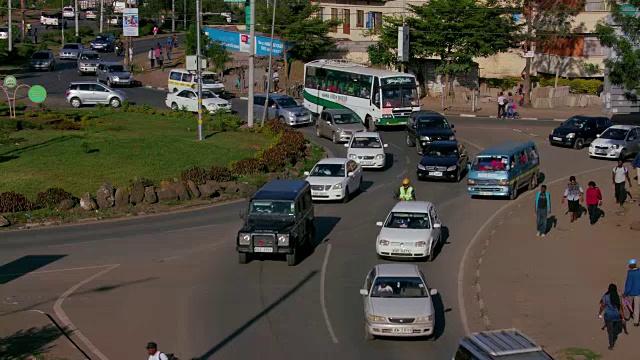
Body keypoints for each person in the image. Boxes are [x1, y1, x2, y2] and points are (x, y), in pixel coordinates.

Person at [598, 283, 626, 350]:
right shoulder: (618, 298)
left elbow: (602, 306)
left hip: (608, 316)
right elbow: (620, 309)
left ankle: (611, 345)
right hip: (616, 316)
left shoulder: (606, 297)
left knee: (610, 332)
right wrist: (622, 318)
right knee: (614, 329)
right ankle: (613, 333)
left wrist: (599, 313)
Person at [624, 258, 640, 327]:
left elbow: (628, 284)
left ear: (630, 265)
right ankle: (636, 321)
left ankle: (627, 316)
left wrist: (625, 292)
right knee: (637, 307)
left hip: (630, 292)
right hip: (638, 292)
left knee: (628, 305)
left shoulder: (630, 273)